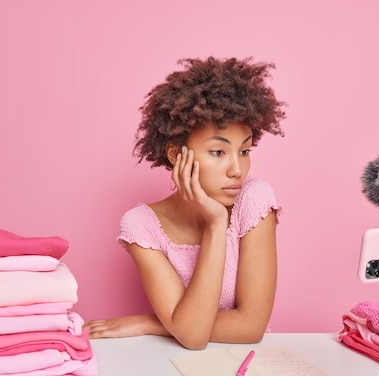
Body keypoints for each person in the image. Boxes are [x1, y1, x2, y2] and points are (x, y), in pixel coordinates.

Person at [86, 57, 286, 350]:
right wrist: (217, 224)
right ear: (175, 155)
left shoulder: (254, 199)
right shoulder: (142, 226)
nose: (237, 169)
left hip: (251, 363)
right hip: (174, 369)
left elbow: (251, 327)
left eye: (244, 151)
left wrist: (154, 322)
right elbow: (193, 337)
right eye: (218, 152)